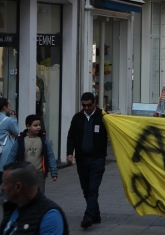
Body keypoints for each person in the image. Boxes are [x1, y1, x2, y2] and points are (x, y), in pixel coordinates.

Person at [66, 92, 108, 229]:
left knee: (93, 189)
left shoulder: (103, 117)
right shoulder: (77, 118)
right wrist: (69, 153)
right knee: (86, 189)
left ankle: (88, 216)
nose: (87, 108)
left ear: (94, 103)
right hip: (82, 159)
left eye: (89, 105)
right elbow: (71, 136)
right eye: (84, 105)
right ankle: (96, 215)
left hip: (98, 159)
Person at [0, 161, 69, 235]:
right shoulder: (12, 207)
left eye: (5, 183)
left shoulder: (50, 217)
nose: (3, 188)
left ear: (18, 187)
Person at [6, 115, 58, 196]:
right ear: (28, 126)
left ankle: (38, 207)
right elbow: (12, 155)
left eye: (39, 125)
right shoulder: (21, 140)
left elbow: (50, 155)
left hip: (39, 173)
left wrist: (54, 172)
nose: (38, 127)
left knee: (40, 193)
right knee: (25, 194)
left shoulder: (43, 139)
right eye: (35, 125)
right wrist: (7, 170)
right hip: (24, 173)